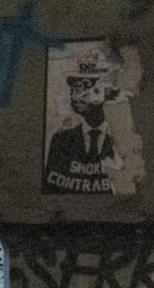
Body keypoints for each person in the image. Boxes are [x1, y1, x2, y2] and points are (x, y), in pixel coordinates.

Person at [43, 48, 125, 194]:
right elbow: (51, 189)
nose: (75, 96)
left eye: (85, 88)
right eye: (74, 89)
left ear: (106, 93)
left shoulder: (125, 139)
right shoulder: (60, 141)